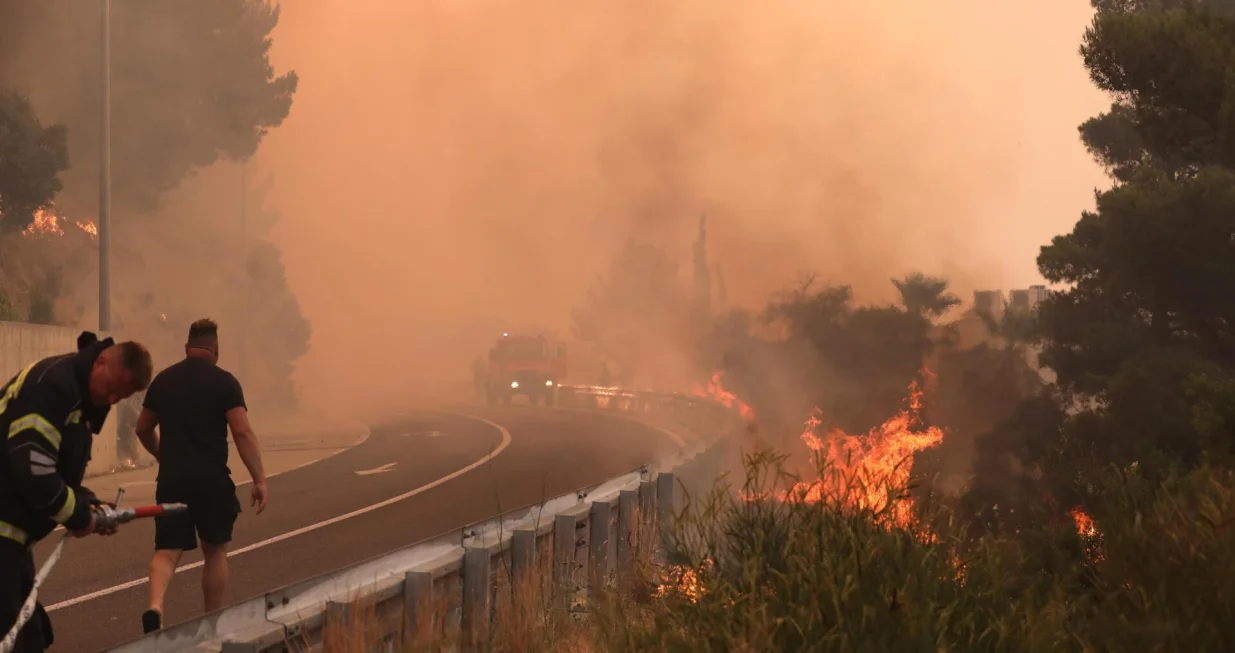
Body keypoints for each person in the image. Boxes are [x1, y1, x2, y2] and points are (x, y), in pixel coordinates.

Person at [0, 332, 153, 652]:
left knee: (30, 637)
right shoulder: (55, 387)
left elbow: (52, 475)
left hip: (12, 541)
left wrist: (89, 503)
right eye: (112, 389)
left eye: (119, 396)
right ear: (100, 361)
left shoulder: (74, 399)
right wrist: (80, 516)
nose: (112, 400)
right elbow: (35, 471)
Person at [135, 318, 267, 634]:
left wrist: (159, 454)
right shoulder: (225, 383)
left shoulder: (164, 381)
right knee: (215, 549)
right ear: (215, 350)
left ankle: (155, 608)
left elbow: (142, 427)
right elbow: (242, 432)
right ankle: (211, 622)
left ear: (187, 347)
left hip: (172, 480)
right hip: (212, 482)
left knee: (166, 552)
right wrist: (259, 478)